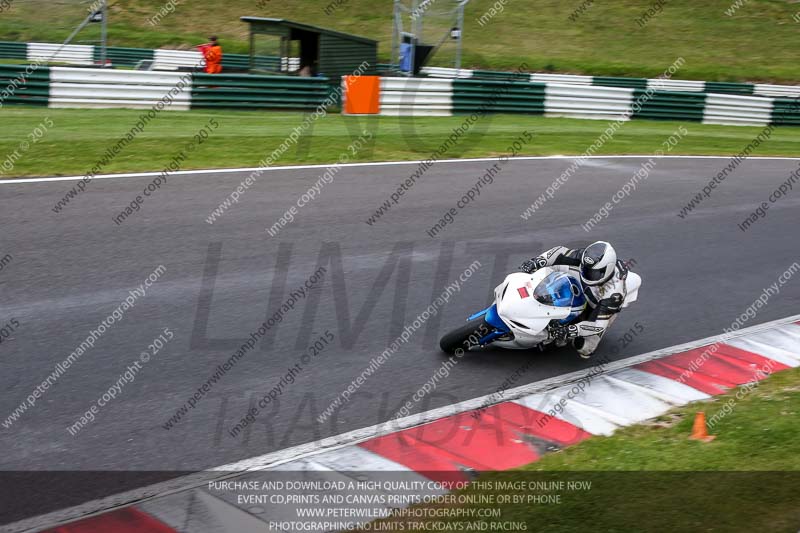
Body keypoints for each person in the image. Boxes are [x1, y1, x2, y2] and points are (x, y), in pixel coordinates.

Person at [519, 241, 632, 359]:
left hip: (598, 306)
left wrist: (572, 330)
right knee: (549, 267)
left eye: (594, 273)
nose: (588, 274)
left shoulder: (614, 294)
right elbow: (560, 251)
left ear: (606, 270)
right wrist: (538, 261)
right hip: (582, 287)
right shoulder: (586, 257)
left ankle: (568, 332)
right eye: (586, 269)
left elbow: (598, 325)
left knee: (584, 348)